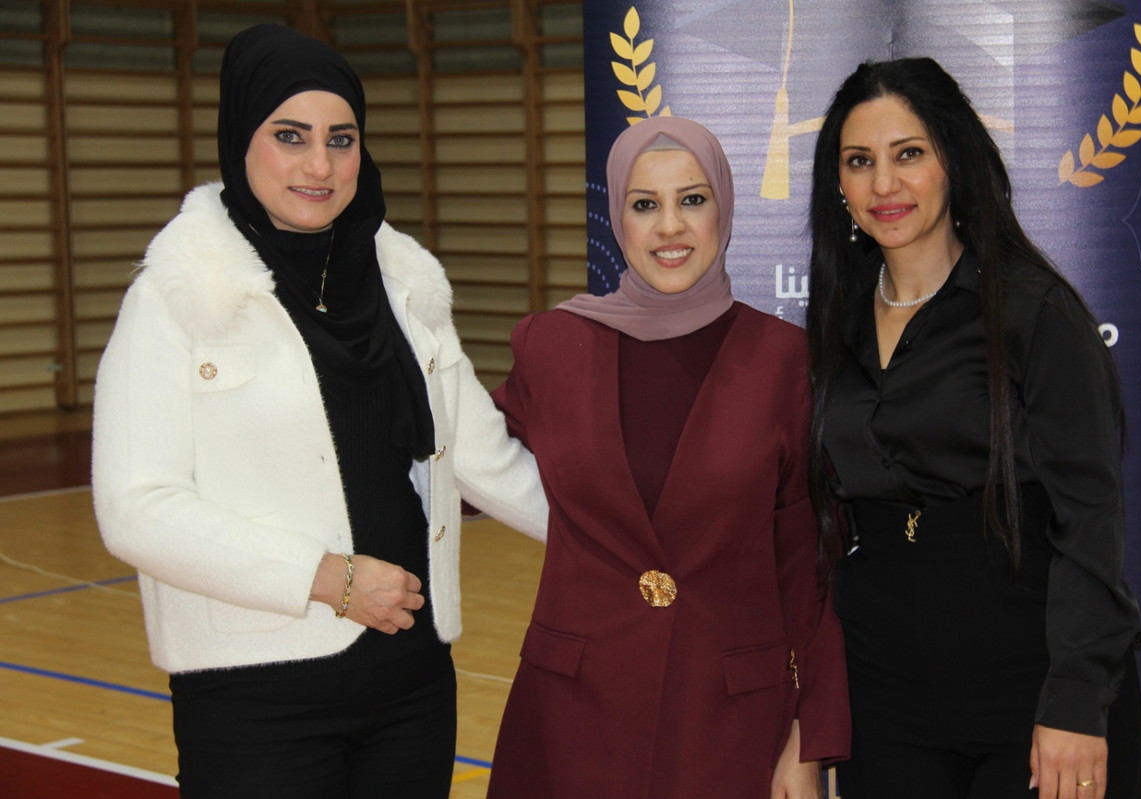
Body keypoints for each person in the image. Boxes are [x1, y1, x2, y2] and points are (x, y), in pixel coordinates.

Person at [91, 24, 547, 798]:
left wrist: (638, 542)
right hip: (254, 700)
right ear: (241, 136)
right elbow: (136, 507)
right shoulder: (174, 296)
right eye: (290, 136)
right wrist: (326, 578)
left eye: (341, 139)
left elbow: (487, 461)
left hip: (410, 681)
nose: (320, 165)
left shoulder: (403, 285)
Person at [805, 57, 1141, 799]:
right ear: (838, 184)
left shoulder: (1034, 313)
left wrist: (1076, 699)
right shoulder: (834, 323)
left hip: (1032, 690)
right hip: (885, 697)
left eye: (909, 154)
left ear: (953, 162)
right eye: (859, 161)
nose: (884, 184)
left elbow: (1091, 518)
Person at [484, 116, 850, 799]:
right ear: (618, 219)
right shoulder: (551, 346)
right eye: (645, 204)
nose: (670, 226)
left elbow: (808, 565)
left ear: (723, 210)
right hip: (572, 720)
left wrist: (809, 731)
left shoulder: (787, 361)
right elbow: (462, 463)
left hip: (729, 725)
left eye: (693, 199)